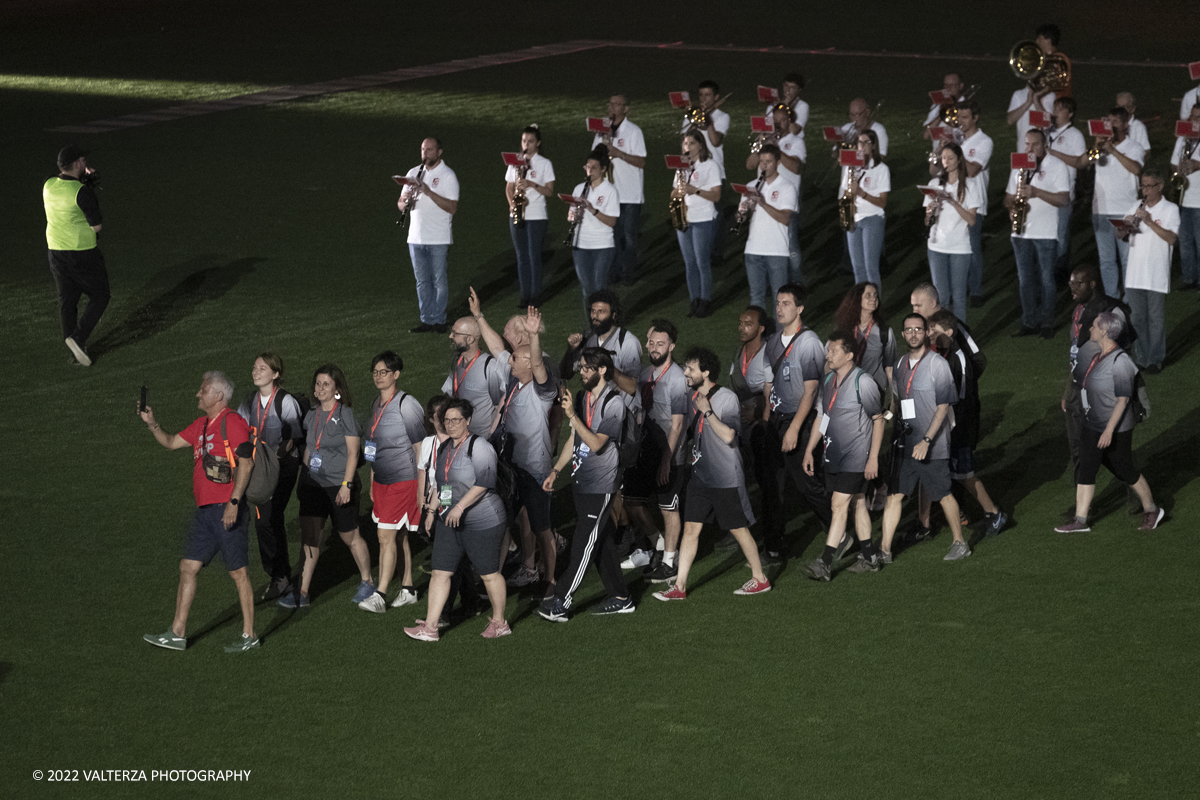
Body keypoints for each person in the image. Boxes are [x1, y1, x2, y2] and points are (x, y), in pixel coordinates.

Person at [139, 372, 259, 653]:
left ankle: (249, 635)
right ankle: (177, 632)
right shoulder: (201, 425)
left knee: (238, 573)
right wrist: (152, 424)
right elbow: (170, 442)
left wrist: (234, 502)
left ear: (218, 396)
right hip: (204, 512)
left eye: (203, 390)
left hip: (228, 509)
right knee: (187, 567)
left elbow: (247, 463)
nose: (198, 394)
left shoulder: (233, 422)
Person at [653, 347, 771, 600]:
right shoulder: (692, 396)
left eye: (690, 369)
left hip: (725, 477)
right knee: (691, 530)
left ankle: (760, 579)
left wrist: (707, 411)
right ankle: (680, 587)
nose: (685, 372)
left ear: (705, 373)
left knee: (739, 529)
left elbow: (729, 435)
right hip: (701, 477)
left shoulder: (726, 398)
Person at [538, 348, 634, 621]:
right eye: (581, 367)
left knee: (582, 544)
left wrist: (572, 416)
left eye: (587, 368)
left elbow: (596, 443)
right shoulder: (582, 397)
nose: (581, 372)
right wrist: (556, 470)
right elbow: (575, 439)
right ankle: (621, 596)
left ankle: (562, 600)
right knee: (600, 541)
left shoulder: (614, 403)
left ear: (602, 370)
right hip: (582, 481)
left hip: (601, 486)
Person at [404, 399, 512, 641]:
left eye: (456, 420)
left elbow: (485, 482)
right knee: (440, 572)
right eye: (447, 420)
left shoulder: (480, 447)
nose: (450, 425)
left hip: (482, 521)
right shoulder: (445, 449)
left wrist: (460, 507)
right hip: (449, 520)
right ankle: (430, 627)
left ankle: (500, 622)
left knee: (489, 574)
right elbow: (444, 486)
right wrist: (433, 512)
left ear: (468, 421)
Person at [1054, 312, 1163, 533]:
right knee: (1087, 467)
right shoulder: (1094, 353)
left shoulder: (1121, 362)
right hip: (1092, 422)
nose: (1090, 328)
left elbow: (1122, 402)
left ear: (1104, 331)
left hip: (1116, 427)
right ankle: (1080, 521)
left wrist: (1109, 431)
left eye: (1094, 326)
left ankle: (1151, 509)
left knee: (1125, 468)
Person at [279, 365, 375, 609]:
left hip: (339, 484)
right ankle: (302, 591)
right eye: (318, 383)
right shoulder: (312, 414)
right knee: (310, 537)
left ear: (337, 389)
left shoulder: (346, 415)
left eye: (326, 384)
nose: (320, 388)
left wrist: (346, 485)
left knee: (349, 535)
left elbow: (354, 454)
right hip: (314, 484)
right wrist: (307, 474)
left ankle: (368, 581)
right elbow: (311, 447)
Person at [878, 314, 969, 562]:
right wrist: (883, 418)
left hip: (933, 445)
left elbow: (943, 408)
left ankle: (960, 542)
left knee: (942, 493)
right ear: (904, 334)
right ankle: (884, 551)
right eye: (909, 330)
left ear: (926, 333)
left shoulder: (937, 365)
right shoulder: (899, 366)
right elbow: (897, 402)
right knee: (895, 495)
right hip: (907, 444)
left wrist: (927, 441)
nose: (914, 333)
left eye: (919, 329)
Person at [802, 333, 886, 580]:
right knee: (858, 502)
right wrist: (809, 450)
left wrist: (873, 459)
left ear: (848, 356)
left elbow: (878, 420)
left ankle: (825, 563)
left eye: (833, 351)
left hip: (857, 456)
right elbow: (823, 417)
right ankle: (870, 557)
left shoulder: (864, 382)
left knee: (838, 505)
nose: (827, 355)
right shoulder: (828, 381)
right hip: (834, 456)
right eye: (828, 350)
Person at [488, 307, 560, 593]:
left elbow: (540, 365)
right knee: (504, 521)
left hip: (535, 469)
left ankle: (550, 580)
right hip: (512, 468)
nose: (511, 359)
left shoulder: (541, 392)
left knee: (542, 528)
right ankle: (493, 575)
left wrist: (532, 336)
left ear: (530, 365)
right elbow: (501, 352)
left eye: (517, 358)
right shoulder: (516, 385)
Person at [760, 284, 832, 563]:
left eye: (787, 303)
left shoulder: (809, 342)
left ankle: (838, 529)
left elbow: (811, 389)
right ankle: (775, 545)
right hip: (777, 420)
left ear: (800, 308)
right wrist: (768, 421)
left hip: (798, 421)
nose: (779, 308)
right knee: (772, 486)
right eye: (777, 303)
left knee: (807, 484)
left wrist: (794, 428)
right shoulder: (773, 342)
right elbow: (769, 386)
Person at [357, 351, 427, 613]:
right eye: (375, 372)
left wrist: (422, 485)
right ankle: (408, 589)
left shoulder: (406, 405)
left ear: (396, 374)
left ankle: (380, 594)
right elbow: (373, 443)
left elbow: (421, 447)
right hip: (383, 481)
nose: (378, 376)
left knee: (384, 536)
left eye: (383, 372)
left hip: (404, 480)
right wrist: (373, 476)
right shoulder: (377, 403)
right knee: (398, 537)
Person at [927, 311, 1008, 536]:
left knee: (965, 474)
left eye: (935, 331)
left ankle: (993, 513)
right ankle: (959, 514)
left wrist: (950, 427)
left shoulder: (958, 360)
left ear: (950, 332)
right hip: (952, 424)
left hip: (959, 426)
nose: (931, 335)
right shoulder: (944, 355)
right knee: (955, 473)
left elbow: (959, 399)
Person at [623, 319, 687, 583]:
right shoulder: (645, 373)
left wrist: (666, 461)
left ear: (671, 346)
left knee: (668, 508)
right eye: (651, 343)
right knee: (631, 501)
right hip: (646, 449)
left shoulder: (677, 378)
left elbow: (678, 423)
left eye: (661, 344)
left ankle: (670, 562)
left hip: (670, 453)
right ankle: (658, 544)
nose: (654, 348)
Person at [236, 353, 304, 600]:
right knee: (268, 520)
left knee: (266, 519)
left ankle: (280, 577)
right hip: (260, 466)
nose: (256, 372)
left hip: (284, 465)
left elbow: (294, 437)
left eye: (262, 368)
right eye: (254, 367)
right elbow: (239, 432)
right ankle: (280, 576)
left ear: (275, 374)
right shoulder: (248, 401)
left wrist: (276, 457)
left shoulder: (285, 402)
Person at [1061, 265, 1135, 466]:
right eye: (1071, 283)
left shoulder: (1112, 311)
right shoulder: (1077, 313)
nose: (1073, 288)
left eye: (1078, 283)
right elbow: (1074, 354)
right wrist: (1069, 391)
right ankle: (1081, 497)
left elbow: (1121, 354)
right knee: (1078, 450)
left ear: (1093, 284)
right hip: (1079, 390)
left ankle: (1138, 496)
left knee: (1117, 453)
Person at [44, 145, 108, 367]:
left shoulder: (48, 185)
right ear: (78, 163)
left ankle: (75, 353)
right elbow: (96, 226)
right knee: (100, 296)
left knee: (67, 301)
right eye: (83, 160)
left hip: (56, 252)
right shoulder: (83, 193)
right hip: (82, 254)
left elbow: (66, 190)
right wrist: (87, 191)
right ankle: (78, 338)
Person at [1005, 129, 1071, 338]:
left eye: (1034, 145)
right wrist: (1012, 208)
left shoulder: (1057, 166)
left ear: (1045, 146)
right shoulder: (1019, 165)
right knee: (1025, 279)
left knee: (1046, 279)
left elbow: (1064, 200)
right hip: (1021, 232)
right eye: (1026, 144)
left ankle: (1047, 322)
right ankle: (1029, 321)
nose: (1029, 149)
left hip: (1045, 232)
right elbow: (1008, 196)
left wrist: (1036, 192)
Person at [1121, 168, 1179, 374]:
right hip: (1135, 274)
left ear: (1160, 186)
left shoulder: (1170, 209)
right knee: (1137, 318)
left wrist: (1149, 222)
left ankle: (1155, 359)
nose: (1144, 190)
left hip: (1156, 273)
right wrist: (1124, 226)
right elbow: (1122, 235)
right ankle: (1141, 358)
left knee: (1155, 319)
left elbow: (1171, 238)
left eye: (1148, 186)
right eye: (1142, 186)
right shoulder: (1135, 206)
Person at [400, 138, 460, 334]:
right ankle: (426, 320)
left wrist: (428, 192)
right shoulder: (412, 173)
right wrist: (405, 201)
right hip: (416, 237)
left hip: (438, 238)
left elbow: (452, 207)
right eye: (423, 149)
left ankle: (440, 320)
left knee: (439, 281)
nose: (425, 153)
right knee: (422, 282)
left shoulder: (448, 175)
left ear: (439, 152)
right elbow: (400, 203)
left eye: (430, 149)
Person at [1086, 107, 1146, 298]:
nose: (1110, 126)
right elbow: (1088, 162)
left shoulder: (1134, 147)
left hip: (1125, 210)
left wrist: (1113, 150)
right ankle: (1112, 297)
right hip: (1101, 210)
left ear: (1126, 124)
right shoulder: (1101, 148)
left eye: (1115, 122)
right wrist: (1097, 147)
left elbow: (1136, 169)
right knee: (1106, 260)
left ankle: (1129, 301)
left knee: (1127, 259)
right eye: (1108, 122)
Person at [924, 143, 983, 323]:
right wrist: (929, 212)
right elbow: (927, 222)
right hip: (936, 246)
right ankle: (941, 337)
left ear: (958, 160)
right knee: (940, 297)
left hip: (959, 247)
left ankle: (961, 338)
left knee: (958, 297)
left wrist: (953, 202)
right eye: (943, 158)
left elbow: (972, 220)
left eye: (950, 158)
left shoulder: (970, 185)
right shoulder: (934, 184)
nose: (946, 162)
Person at [748, 106, 806, 284]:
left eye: (781, 121)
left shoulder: (795, 141)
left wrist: (775, 149)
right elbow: (750, 165)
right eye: (774, 121)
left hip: (785, 199)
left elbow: (795, 167)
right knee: (765, 243)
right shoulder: (764, 140)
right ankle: (770, 281)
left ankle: (796, 282)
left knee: (790, 246)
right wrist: (761, 145)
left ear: (789, 122)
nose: (777, 125)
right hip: (763, 198)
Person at [594, 93, 647, 285]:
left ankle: (627, 273)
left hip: (630, 194)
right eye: (610, 104)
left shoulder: (634, 131)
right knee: (612, 235)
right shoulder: (601, 131)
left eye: (617, 105)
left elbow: (641, 161)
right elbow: (594, 157)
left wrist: (619, 154)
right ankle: (614, 271)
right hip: (610, 194)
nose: (612, 108)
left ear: (625, 109)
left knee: (629, 237)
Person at [740, 144, 797, 311]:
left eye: (769, 162)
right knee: (756, 298)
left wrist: (763, 203)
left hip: (776, 251)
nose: (764, 166)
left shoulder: (787, 187)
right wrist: (742, 215)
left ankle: (781, 336)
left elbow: (785, 218)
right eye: (761, 162)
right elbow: (741, 216)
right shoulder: (751, 185)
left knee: (780, 300)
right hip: (753, 250)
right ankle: (759, 336)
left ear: (778, 163)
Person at [673, 130, 722, 318]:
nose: (688, 147)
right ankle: (694, 300)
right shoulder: (681, 167)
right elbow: (673, 193)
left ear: (701, 145)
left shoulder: (710, 166)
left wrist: (695, 191)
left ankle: (705, 300)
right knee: (689, 263)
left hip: (703, 219)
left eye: (692, 143)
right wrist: (679, 190)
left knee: (702, 262)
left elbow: (716, 195)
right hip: (684, 218)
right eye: (685, 144)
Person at [560, 289, 642, 401]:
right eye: (593, 311)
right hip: (596, 411)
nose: (595, 316)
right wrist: (571, 350)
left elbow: (634, 388)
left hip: (622, 412)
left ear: (613, 315)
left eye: (601, 312)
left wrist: (606, 366)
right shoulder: (589, 339)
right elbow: (565, 374)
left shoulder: (628, 342)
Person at [506, 124, 555, 307]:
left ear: (538, 143)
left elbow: (549, 191)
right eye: (524, 140)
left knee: (534, 255)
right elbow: (509, 187)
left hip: (536, 215)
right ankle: (524, 295)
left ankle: (535, 296)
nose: (526, 144)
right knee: (521, 256)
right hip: (517, 213)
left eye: (531, 141)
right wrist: (512, 204)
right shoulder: (515, 162)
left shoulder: (544, 163)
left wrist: (532, 184)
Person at [566, 146, 620, 302]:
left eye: (594, 168)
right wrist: (571, 216)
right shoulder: (578, 189)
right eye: (587, 167)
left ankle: (603, 324)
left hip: (602, 245)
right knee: (587, 289)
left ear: (603, 169)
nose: (589, 171)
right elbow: (571, 216)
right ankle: (591, 324)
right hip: (580, 244)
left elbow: (612, 221)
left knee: (599, 288)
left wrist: (592, 209)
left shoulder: (610, 191)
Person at [953, 100, 994, 307]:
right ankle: (958, 288)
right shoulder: (957, 140)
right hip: (953, 200)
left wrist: (954, 150)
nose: (960, 121)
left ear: (975, 118)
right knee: (954, 246)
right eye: (958, 117)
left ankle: (976, 290)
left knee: (972, 247)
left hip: (974, 202)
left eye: (965, 117)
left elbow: (972, 170)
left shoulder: (984, 141)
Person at [840, 129, 890, 287]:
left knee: (871, 268)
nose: (861, 146)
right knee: (858, 269)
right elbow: (845, 192)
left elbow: (883, 202)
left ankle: (875, 307)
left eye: (866, 143)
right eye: (859, 142)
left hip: (873, 219)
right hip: (854, 218)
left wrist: (861, 193)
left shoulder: (881, 169)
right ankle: (860, 306)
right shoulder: (851, 166)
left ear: (873, 145)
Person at [442, 316, 506, 438]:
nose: (450, 336)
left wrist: (492, 434)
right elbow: (449, 393)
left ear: (470, 339)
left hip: (482, 439)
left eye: (455, 333)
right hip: (459, 436)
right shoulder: (457, 362)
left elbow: (499, 406)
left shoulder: (489, 367)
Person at [1047, 97, 1087, 281]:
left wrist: (1053, 153)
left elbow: (1080, 162)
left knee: (1061, 235)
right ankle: (1047, 268)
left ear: (1070, 114)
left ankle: (1061, 272)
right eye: (1054, 108)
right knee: (1047, 233)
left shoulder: (1075, 135)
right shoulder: (1046, 132)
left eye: (1060, 109)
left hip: (1063, 192)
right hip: (1045, 191)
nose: (1055, 112)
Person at [910, 282, 986, 379]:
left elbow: (979, 360)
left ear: (932, 303)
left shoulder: (952, 326)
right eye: (913, 306)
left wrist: (963, 388)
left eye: (918, 306)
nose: (914, 311)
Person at [1005, 29, 1058, 150]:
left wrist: (1036, 100)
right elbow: (1009, 120)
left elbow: (1046, 124)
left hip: (1042, 154)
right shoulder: (1018, 94)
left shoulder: (1050, 96)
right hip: (1022, 152)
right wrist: (1027, 103)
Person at [1169, 107, 1200, 291]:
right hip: (1184, 198)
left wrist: (1195, 165)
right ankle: (1189, 279)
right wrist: (1178, 169)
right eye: (1192, 117)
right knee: (1186, 242)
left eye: (1198, 117)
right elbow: (1173, 163)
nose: (1194, 120)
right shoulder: (1183, 138)